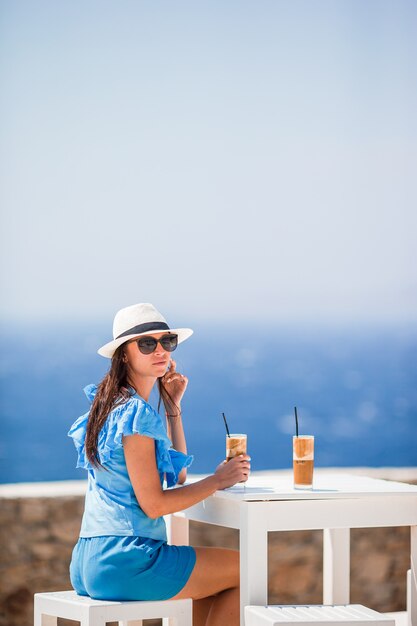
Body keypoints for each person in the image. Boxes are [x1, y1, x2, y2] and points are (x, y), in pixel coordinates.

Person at [68, 302, 251, 626]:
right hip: (127, 558)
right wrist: (218, 480)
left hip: (88, 561)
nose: (160, 350)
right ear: (123, 354)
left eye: (166, 341)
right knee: (249, 570)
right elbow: (153, 505)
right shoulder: (136, 415)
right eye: (147, 343)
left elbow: (176, 475)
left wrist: (172, 407)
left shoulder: (109, 406)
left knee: (210, 585)